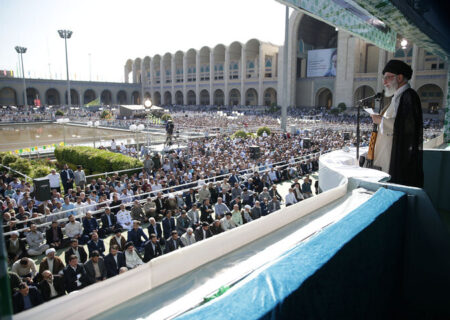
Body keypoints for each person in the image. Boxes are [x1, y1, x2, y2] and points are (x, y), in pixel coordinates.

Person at [370, 59, 423, 188]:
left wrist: (381, 121)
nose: (384, 82)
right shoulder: (397, 97)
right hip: (387, 153)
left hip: (395, 158)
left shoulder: (408, 96)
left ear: (399, 77)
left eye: (388, 77)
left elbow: (408, 129)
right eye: (384, 78)